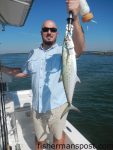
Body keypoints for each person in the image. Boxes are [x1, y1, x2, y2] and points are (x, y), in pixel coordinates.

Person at [1, 0, 85, 149]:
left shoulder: (63, 50)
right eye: (46, 29)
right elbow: (22, 72)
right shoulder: (33, 53)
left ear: (57, 33)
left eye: (52, 30)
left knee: (58, 137)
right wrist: (1, 68)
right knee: (39, 139)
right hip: (37, 107)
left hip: (58, 107)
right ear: (41, 32)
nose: (49, 32)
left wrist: (76, 18)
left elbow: (79, 49)